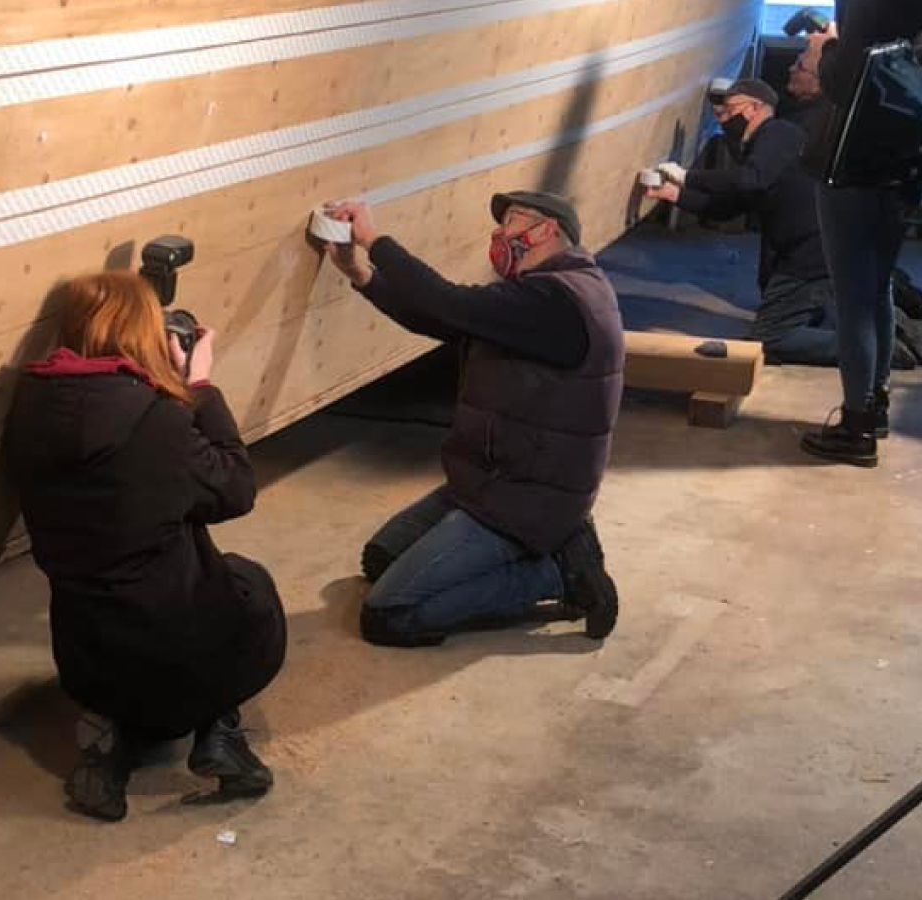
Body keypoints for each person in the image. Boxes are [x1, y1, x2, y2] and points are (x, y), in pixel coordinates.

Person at [1, 271, 286, 821]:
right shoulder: (158, 420)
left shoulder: (29, 407)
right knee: (251, 586)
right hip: (179, 657)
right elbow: (236, 488)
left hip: (86, 661)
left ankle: (107, 748)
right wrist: (199, 386)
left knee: (124, 621)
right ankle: (219, 728)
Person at [321, 191, 623, 648]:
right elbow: (440, 318)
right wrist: (358, 273)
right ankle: (560, 543)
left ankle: (556, 573)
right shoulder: (540, 294)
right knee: (381, 558)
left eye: (512, 220)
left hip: (523, 498)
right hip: (491, 481)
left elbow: (447, 301)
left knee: (389, 615)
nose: (500, 232)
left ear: (546, 230)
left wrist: (373, 239)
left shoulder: (557, 300)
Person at [798, 1, 922, 467]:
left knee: (853, 297)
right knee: (877, 287)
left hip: (851, 165)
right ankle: (875, 403)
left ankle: (856, 426)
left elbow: (842, 80)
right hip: (900, 164)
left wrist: (825, 48)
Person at [649, 79, 848, 367]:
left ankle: (868, 347)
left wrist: (688, 177)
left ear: (755, 108)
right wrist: (672, 194)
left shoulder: (779, 133)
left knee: (771, 339)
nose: (724, 119)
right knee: (785, 313)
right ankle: (850, 329)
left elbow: (750, 180)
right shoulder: (761, 150)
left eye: (730, 110)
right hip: (805, 251)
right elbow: (727, 208)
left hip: (810, 252)